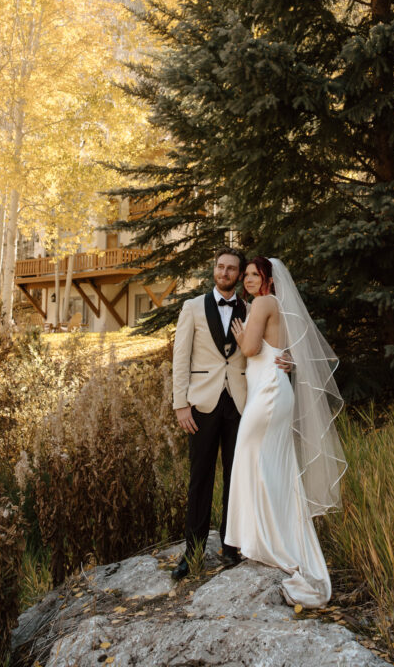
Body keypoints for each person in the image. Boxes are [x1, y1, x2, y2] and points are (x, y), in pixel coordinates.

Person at [225, 256, 346, 607]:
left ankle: (268, 541)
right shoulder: (273, 304)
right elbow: (286, 350)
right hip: (275, 388)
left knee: (254, 459)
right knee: (271, 465)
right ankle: (266, 537)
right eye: (245, 274)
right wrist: (280, 354)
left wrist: (244, 334)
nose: (248, 279)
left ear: (269, 279)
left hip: (269, 393)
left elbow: (248, 349)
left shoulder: (263, 303)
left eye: (254, 275)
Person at [171, 247, 290, 580]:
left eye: (232, 269)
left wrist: (287, 359)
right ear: (215, 270)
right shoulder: (192, 307)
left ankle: (230, 544)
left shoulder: (251, 307)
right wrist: (180, 404)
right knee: (200, 479)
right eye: (220, 267)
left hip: (241, 403)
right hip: (202, 404)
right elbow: (180, 359)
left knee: (236, 476)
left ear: (240, 275)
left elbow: (271, 341)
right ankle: (192, 553)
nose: (224, 272)